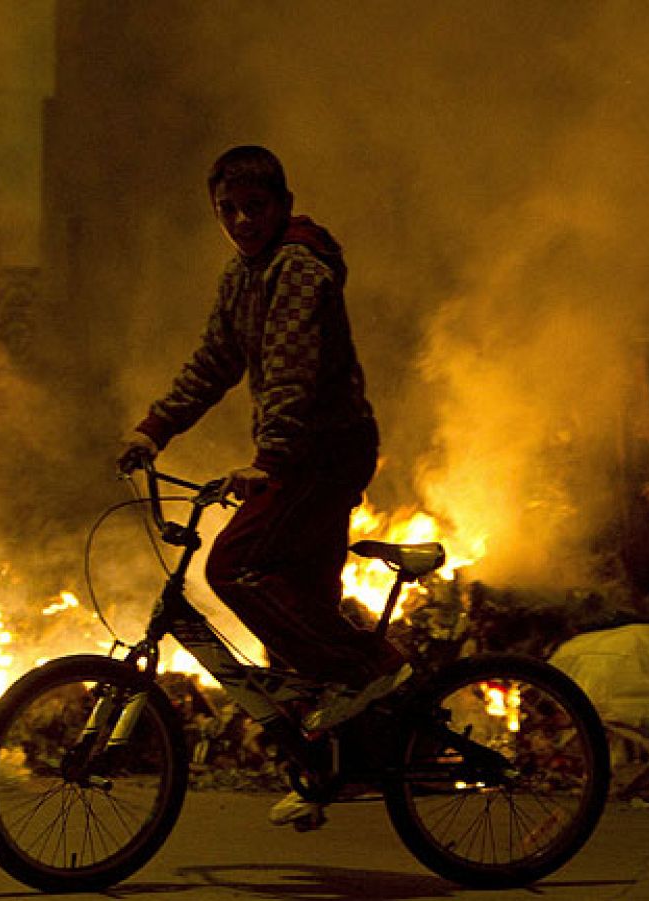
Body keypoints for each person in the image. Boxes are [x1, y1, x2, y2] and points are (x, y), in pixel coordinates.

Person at [118, 145, 410, 828]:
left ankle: (366, 671)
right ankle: (329, 766)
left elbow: (291, 375)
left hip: (322, 453)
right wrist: (153, 429)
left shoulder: (299, 272)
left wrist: (269, 461)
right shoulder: (243, 276)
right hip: (298, 454)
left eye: (256, 207)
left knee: (236, 564)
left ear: (282, 204)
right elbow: (216, 359)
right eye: (229, 210)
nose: (243, 220)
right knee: (299, 597)